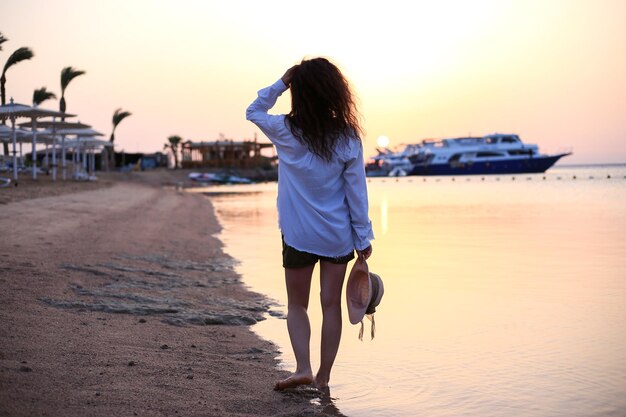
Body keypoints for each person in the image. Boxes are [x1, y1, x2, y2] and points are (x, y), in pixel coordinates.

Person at [246, 57, 374, 390]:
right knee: (330, 305)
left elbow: (254, 111)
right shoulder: (347, 137)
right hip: (338, 237)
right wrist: (364, 238)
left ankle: (303, 367)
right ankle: (323, 378)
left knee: (297, 305)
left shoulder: (285, 130)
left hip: (298, 234)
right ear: (335, 92)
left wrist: (282, 82)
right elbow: (356, 193)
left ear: (299, 93)